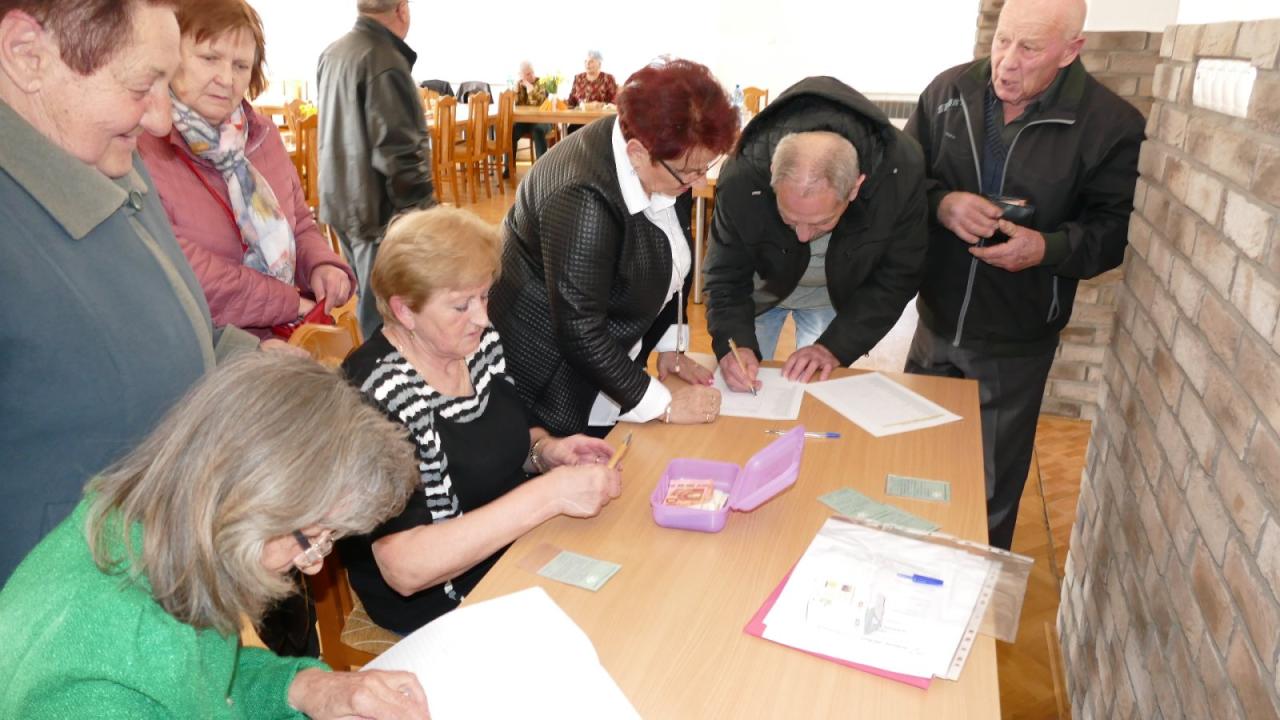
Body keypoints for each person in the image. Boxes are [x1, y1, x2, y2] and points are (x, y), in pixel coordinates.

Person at [0, 353, 429, 718]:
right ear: (247, 505)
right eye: (310, 540)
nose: (313, 565)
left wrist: (308, 688)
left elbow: (211, 682)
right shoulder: (95, 690)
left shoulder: (165, 535)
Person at [0, 0, 262, 583]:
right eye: (143, 85)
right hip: (63, 605)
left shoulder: (108, 154)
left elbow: (172, 323)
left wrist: (264, 369)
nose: (162, 119)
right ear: (27, 55)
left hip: (159, 563)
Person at [904, 0, 1144, 550]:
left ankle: (975, 594)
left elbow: (1114, 230)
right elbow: (905, 181)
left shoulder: (1110, 125)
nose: (1007, 61)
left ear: (1071, 50)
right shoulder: (947, 93)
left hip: (1016, 339)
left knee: (988, 489)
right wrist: (942, 204)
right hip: (935, 320)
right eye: (1002, 39)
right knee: (913, 462)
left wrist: (1047, 248)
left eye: (1030, 47)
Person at [341, 207, 622, 634]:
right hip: (441, 602)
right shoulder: (373, 397)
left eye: (484, 297)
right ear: (405, 310)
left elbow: (504, 436)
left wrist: (544, 452)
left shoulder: (473, 344)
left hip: (512, 552)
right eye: (461, 305)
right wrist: (549, 496)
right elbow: (404, 567)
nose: (483, 318)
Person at [490, 58, 736, 438]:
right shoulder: (581, 196)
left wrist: (670, 347)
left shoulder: (669, 159)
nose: (701, 182)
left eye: (706, 167)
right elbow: (580, 329)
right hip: (549, 377)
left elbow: (672, 257)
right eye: (692, 172)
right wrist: (664, 405)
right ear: (637, 152)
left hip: (606, 360)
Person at [140, 0, 355, 339]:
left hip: (285, 341)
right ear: (170, 55)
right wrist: (288, 302)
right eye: (209, 58)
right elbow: (180, 269)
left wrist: (321, 264)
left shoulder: (263, 135)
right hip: (204, 350)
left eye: (241, 65)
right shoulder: (141, 145)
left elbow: (299, 222)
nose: (226, 79)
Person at [704, 77, 928, 390]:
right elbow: (725, 273)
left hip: (831, 296)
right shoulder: (744, 173)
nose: (803, 236)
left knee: (812, 392)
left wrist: (835, 346)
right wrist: (734, 342)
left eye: (821, 223)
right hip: (758, 288)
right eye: (789, 218)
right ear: (772, 177)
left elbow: (898, 275)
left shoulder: (900, 171)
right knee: (743, 381)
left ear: (855, 188)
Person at [317, 0, 434, 339]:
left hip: (340, 201)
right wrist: (426, 219)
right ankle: (376, 373)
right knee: (383, 319)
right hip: (378, 213)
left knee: (368, 304)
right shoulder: (387, 61)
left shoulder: (332, 53)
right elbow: (400, 153)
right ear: (402, 9)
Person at [511, 60, 552, 160]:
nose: (532, 76)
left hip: (543, 120)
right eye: (528, 74)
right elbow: (515, 104)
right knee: (510, 132)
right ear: (521, 76)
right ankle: (509, 167)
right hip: (525, 121)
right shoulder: (519, 85)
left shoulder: (542, 83)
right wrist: (515, 91)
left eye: (532, 72)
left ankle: (541, 166)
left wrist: (530, 88)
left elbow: (538, 103)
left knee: (538, 131)